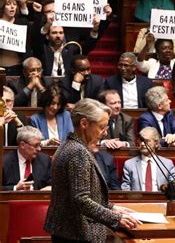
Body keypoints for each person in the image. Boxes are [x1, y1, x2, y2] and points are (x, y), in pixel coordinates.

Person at [43, 99, 141, 241]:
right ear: (84, 123)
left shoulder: (68, 145)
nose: (105, 133)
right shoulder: (77, 151)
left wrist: (111, 207)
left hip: (68, 232)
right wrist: (116, 217)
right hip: (76, 234)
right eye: (102, 127)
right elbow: (81, 199)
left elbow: (81, 194)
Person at [34, 24, 100, 76]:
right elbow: (36, 39)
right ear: (47, 36)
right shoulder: (42, 49)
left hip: (67, 85)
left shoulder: (71, 48)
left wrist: (94, 31)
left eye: (61, 33)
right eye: (54, 33)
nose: (58, 35)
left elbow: (88, 47)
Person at [2, 126, 51, 191]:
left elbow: (52, 183)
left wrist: (50, 188)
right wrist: (15, 188)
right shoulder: (4, 162)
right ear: (22, 145)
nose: (39, 149)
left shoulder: (45, 160)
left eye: (40, 145)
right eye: (35, 145)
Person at [0, 0, 30, 76]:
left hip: (17, 68)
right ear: (3, 7)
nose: (12, 7)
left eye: (14, 4)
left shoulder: (22, 22)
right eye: (8, 4)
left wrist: (24, 4)